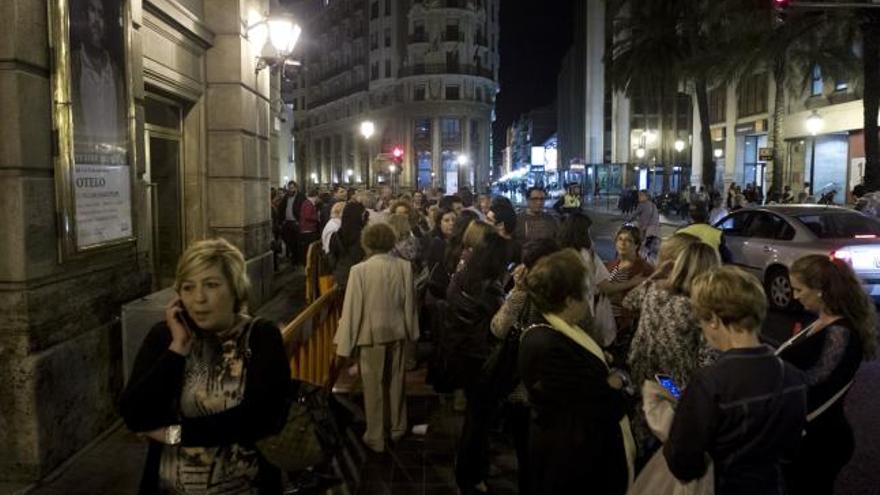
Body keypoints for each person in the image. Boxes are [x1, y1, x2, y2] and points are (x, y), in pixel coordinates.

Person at [120, 239, 290, 494]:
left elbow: (262, 418)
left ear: (235, 288)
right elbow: (135, 414)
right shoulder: (165, 336)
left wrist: (173, 434)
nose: (198, 298)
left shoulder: (261, 336)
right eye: (188, 288)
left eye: (211, 285)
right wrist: (177, 349)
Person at [664, 266, 807, 495]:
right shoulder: (793, 376)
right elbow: (791, 449)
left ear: (713, 319)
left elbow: (683, 464)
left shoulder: (709, 383)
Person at [519, 249, 636, 494]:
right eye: (586, 292)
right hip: (569, 459)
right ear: (570, 300)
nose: (590, 297)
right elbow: (595, 401)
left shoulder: (557, 329)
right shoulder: (547, 343)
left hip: (571, 450)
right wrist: (614, 382)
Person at [776, 255, 878, 494]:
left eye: (799, 289)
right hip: (812, 435)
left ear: (820, 290)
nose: (795, 295)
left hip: (818, 441)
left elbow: (815, 382)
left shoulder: (839, 334)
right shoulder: (822, 321)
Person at [624, 242, 720, 456]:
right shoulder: (700, 306)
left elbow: (628, 301)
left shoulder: (653, 288)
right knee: (669, 430)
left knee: (641, 419)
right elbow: (708, 358)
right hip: (672, 382)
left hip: (641, 369)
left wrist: (655, 275)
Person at [333, 223, 419, 453]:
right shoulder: (404, 267)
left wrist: (345, 346)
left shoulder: (359, 270)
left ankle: (376, 436)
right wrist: (413, 332)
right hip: (398, 331)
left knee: (373, 387)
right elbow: (410, 304)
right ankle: (398, 428)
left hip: (369, 335)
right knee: (396, 382)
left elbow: (352, 309)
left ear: (367, 242)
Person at [488, 238, 561, 495]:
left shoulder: (567, 297)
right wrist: (518, 291)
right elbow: (498, 328)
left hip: (556, 393)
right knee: (527, 457)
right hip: (522, 393)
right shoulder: (521, 294)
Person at [445, 233, 510, 494]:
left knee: (476, 415)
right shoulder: (488, 288)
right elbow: (498, 325)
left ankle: (474, 466)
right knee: (478, 419)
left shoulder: (462, 276)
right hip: (481, 357)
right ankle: (470, 474)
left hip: (463, 353)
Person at [72, 0, 126, 147]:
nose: (96, 21)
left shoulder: (115, 72)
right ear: (83, 16)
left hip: (113, 164)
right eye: (92, 11)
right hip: (86, 165)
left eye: (101, 15)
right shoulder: (73, 64)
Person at [328, 202, 368, 289]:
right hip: (359, 280)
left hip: (340, 278)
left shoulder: (336, 235)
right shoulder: (363, 237)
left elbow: (332, 260)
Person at [626, 190, 661, 260]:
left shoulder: (642, 205)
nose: (639, 197)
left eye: (640, 195)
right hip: (655, 231)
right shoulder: (653, 205)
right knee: (653, 249)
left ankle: (640, 262)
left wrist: (627, 220)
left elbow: (634, 215)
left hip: (646, 230)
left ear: (646, 197)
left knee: (641, 247)